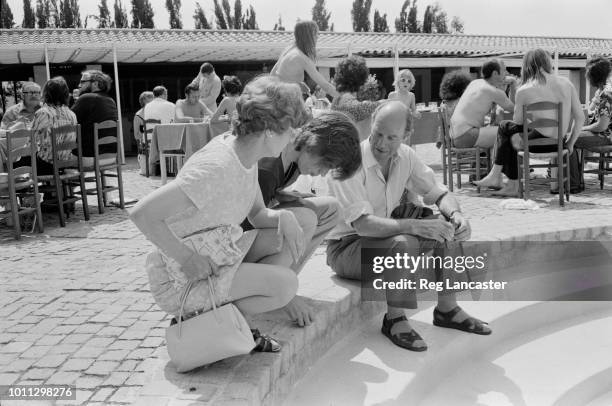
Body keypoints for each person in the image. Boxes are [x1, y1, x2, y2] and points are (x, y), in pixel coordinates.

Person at [129, 76, 310, 353]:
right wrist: (187, 257)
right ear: (270, 131)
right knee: (285, 286)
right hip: (180, 277)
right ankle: (212, 321)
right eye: (291, 131)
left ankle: (228, 319)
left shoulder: (246, 157)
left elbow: (259, 214)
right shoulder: (217, 167)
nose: (294, 139)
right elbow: (143, 214)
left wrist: (284, 217)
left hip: (218, 254)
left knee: (296, 226)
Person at [326, 101, 491, 351]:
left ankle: (447, 309)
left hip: (381, 239)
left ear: (406, 135)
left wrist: (456, 214)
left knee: (445, 227)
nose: (382, 143)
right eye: (378, 133)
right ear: (372, 122)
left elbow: (440, 194)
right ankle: (394, 319)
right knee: (405, 242)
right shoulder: (349, 162)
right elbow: (363, 226)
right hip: (346, 248)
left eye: (392, 137)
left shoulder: (406, 156)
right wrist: (413, 226)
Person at [244, 110, 362, 326]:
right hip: (232, 247)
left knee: (331, 208)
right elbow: (243, 222)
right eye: (326, 164)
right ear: (313, 145)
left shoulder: (294, 161)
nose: (324, 173)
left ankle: (283, 282)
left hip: (251, 237)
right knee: (305, 218)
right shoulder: (269, 165)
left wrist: (279, 195)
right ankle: (274, 289)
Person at [474, 49, 584, 196]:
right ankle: (502, 179)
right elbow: (580, 118)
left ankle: (502, 177)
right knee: (508, 134)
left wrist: (533, 118)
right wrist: (570, 143)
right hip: (559, 143)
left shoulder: (524, 90)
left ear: (527, 65)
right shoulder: (567, 83)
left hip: (535, 145)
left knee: (506, 128)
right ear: (547, 63)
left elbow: (518, 122)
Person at [450, 59, 517, 149]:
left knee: (497, 131)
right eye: (504, 70)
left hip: (455, 136)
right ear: (495, 74)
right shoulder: (493, 91)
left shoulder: (475, 83)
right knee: (510, 133)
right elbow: (515, 109)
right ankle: (501, 163)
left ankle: (491, 162)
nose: (507, 73)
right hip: (466, 136)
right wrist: (514, 83)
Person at [570, 56, 612, 189]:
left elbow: (602, 126)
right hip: (606, 134)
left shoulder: (607, 94)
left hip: (606, 136)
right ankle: (575, 181)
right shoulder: (603, 91)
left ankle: (573, 184)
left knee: (569, 139)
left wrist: (581, 129)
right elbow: (591, 110)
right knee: (571, 135)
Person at [271, 20, 338, 99]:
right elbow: (325, 85)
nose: (317, 37)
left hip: (276, 99)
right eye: (315, 34)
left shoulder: (289, 51)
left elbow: (273, 75)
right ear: (309, 36)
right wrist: (343, 98)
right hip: (286, 101)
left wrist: (296, 84)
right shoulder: (301, 57)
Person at [28, 77, 78, 175]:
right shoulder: (71, 114)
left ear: (46, 93)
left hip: (48, 163)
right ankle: (53, 188)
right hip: (66, 161)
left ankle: (21, 188)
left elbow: (32, 139)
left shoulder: (43, 113)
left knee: (17, 161)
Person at [331, 55, 382, 141]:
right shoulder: (357, 107)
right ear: (361, 80)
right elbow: (361, 108)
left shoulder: (336, 100)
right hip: (350, 149)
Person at [71, 70, 118, 161]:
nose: (79, 85)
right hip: (110, 156)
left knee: (55, 155)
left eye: (83, 82)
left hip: (89, 156)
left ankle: (73, 175)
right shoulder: (110, 100)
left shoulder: (87, 98)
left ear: (95, 84)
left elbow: (69, 120)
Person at [436, 70, 473, 148]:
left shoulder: (443, 104)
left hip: (449, 140)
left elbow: (441, 125)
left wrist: (440, 139)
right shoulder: (460, 103)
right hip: (460, 140)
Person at [134, 91, 155, 176]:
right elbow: (136, 135)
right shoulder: (138, 116)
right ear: (143, 102)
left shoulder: (156, 113)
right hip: (145, 144)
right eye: (149, 102)